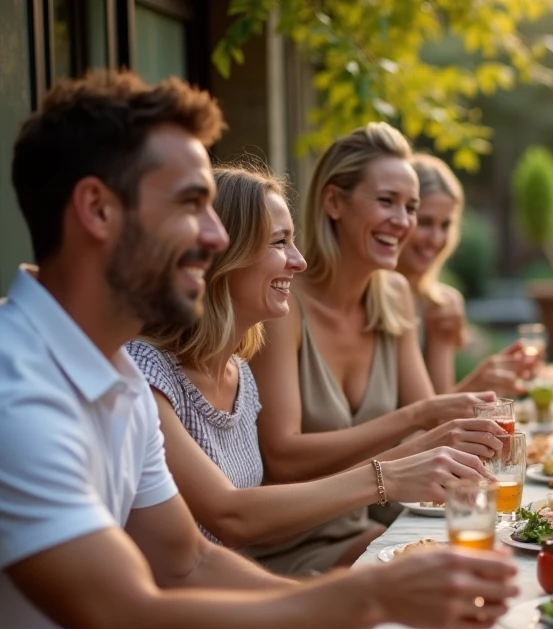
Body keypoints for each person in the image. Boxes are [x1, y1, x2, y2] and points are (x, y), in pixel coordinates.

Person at [0, 70, 516, 629]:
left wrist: (356, 627)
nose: (215, 237)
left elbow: (189, 566)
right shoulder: (16, 395)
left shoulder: (112, 375)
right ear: (97, 210)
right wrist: (366, 601)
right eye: (192, 206)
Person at [128, 163, 493, 557]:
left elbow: (263, 526)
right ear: (222, 252)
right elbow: (233, 519)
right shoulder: (147, 374)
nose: (298, 261)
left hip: (237, 583)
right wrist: (389, 473)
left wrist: (408, 463)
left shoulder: (240, 375)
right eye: (279, 242)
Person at [250, 124, 505, 574]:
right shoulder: (285, 304)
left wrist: (469, 404)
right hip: (284, 550)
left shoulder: (393, 295)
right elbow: (283, 457)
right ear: (333, 202)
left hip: (364, 531)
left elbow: (430, 427)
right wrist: (418, 417)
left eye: (411, 207)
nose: (404, 222)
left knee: (491, 553)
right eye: (386, 202)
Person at [398, 152, 531, 395]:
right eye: (425, 222)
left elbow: (436, 408)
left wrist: (491, 382)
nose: (436, 239)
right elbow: (427, 416)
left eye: (445, 225)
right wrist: (478, 384)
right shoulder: (369, 298)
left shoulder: (441, 305)